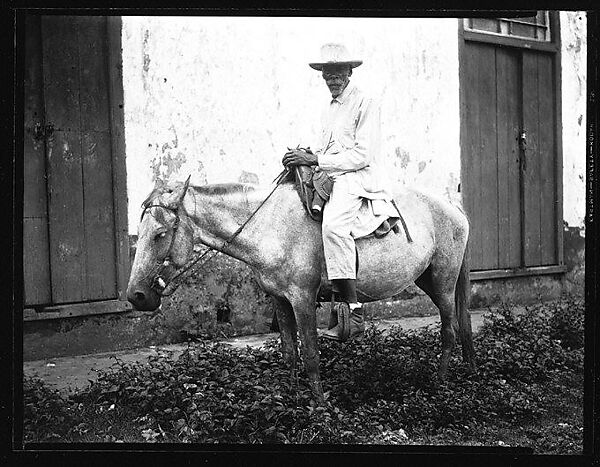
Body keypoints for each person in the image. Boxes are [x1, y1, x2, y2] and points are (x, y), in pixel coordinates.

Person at [282, 42, 398, 342]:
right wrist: (303, 155)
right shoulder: (328, 109)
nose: (331, 78)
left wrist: (316, 159)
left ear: (349, 73)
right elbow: (325, 149)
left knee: (334, 226)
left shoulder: (365, 103)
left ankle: (354, 311)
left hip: (358, 176)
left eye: (337, 72)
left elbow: (362, 155)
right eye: (326, 73)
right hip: (333, 173)